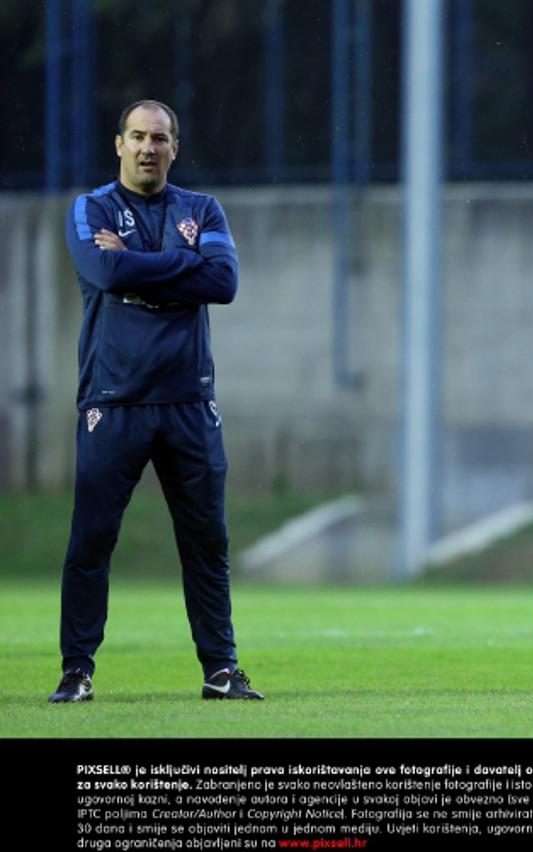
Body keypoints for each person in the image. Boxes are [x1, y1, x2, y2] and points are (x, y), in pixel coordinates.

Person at [49, 99, 263, 702]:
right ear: (118, 143)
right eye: (138, 137)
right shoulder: (90, 207)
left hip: (189, 402)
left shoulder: (201, 208)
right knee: (91, 540)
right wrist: (181, 268)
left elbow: (223, 282)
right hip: (113, 401)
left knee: (206, 541)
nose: (149, 147)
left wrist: (139, 263)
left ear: (175, 146)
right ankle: (77, 671)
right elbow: (106, 275)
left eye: (160, 138)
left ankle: (221, 669)